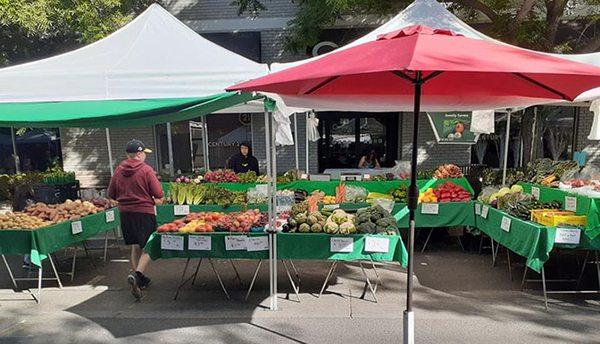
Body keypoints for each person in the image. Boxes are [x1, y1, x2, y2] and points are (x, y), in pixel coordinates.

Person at [108, 139, 163, 300]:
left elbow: (111, 193)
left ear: (128, 155)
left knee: (135, 245)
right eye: (144, 154)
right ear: (139, 154)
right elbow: (158, 192)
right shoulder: (146, 170)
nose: (145, 156)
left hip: (125, 213)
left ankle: (140, 280)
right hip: (143, 212)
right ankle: (138, 275)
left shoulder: (118, 170)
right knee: (149, 245)